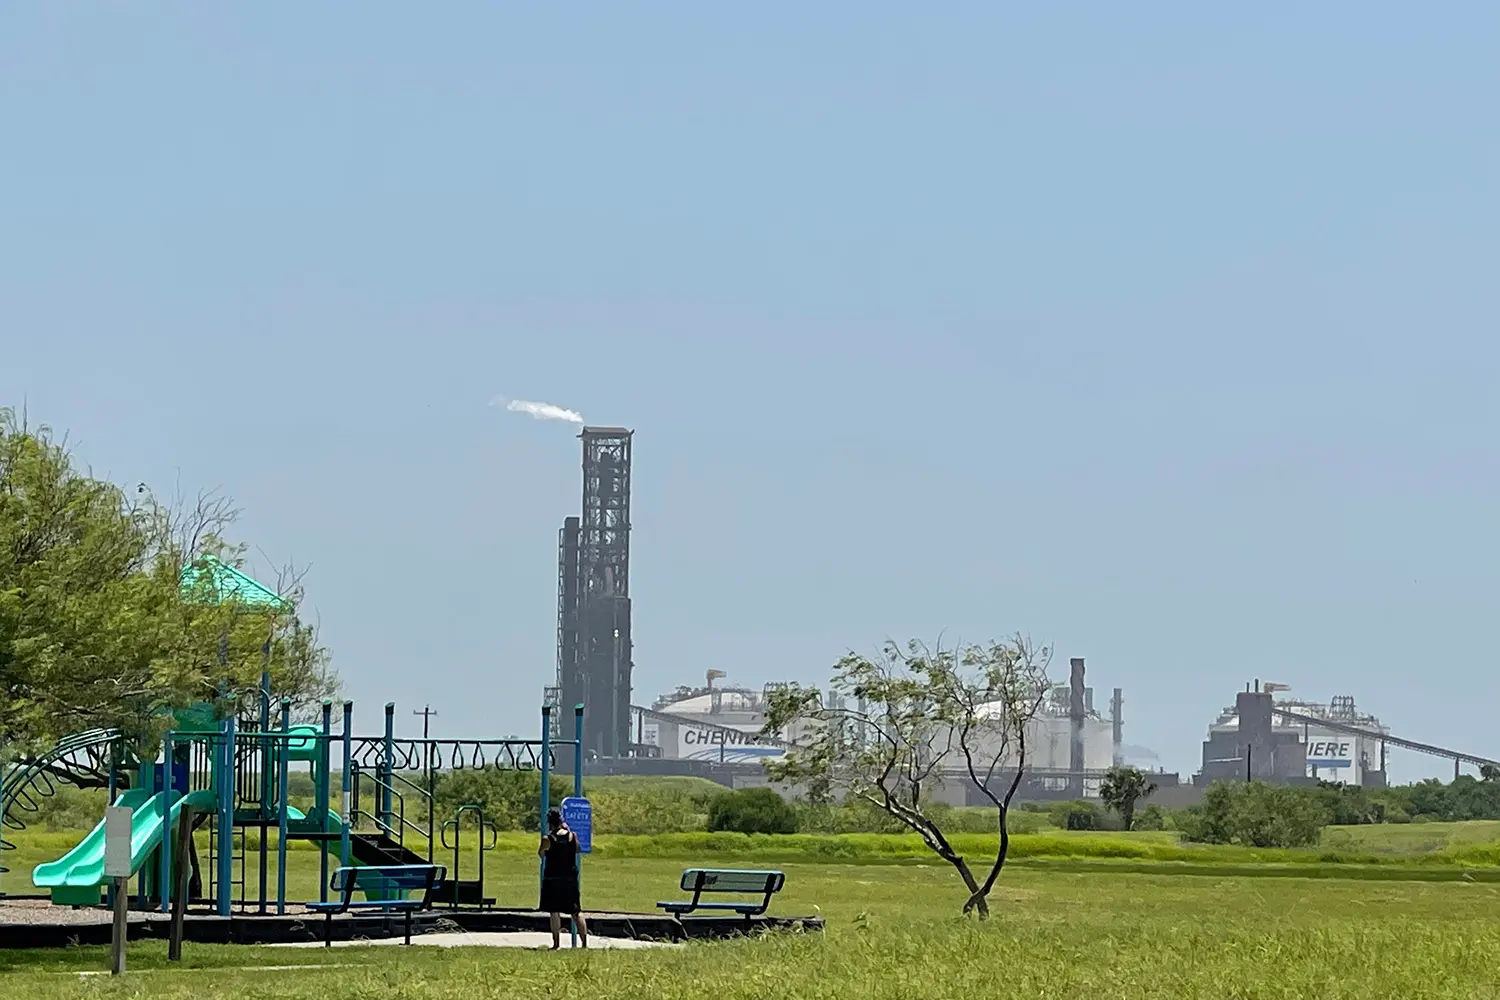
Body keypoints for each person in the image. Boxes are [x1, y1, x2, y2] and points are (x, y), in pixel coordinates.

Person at [538, 807, 588, 949]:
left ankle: (556, 944)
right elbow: (578, 849)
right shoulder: (573, 836)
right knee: (576, 912)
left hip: (553, 879)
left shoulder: (548, 838)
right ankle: (584, 944)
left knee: (554, 911)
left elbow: (541, 853)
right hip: (570, 879)